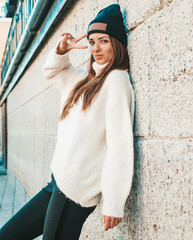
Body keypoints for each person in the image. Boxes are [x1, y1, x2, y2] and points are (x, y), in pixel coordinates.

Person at [0, 4, 135, 240]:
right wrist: (62, 50)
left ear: (118, 42)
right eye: (92, 42)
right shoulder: (85, 79)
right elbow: (52, 72)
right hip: (58, 181)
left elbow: (120, 145)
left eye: (104, 40)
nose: (96, 48)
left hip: (75, 193)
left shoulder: (116, 80)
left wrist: (114, 201)